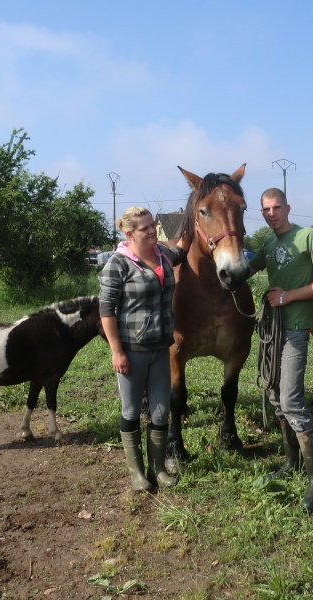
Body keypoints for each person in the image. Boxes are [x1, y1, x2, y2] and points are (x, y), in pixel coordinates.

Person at [248, 188, 313, 512]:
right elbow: (247, 269)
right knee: (274, 395)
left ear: (287, 208)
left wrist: (288, 296)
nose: (271, 213)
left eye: (276, 208)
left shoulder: (308, 237)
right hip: (272, 330)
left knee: (291, 400)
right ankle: (292, 462)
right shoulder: (268, 244)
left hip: (297, 328)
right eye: (265, 210)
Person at [99, 207, 186, 492]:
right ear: (129, 233)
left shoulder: (163, 254)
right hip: (132, 350)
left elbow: (184, 248)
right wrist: (116, 351)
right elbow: (106, 310)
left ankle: (158, 468)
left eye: (153, 225)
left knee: (160, 413)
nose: (152, 231)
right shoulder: (118, 264)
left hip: (161, 348)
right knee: (132, 410)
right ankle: (137, 472)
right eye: (144, 228)